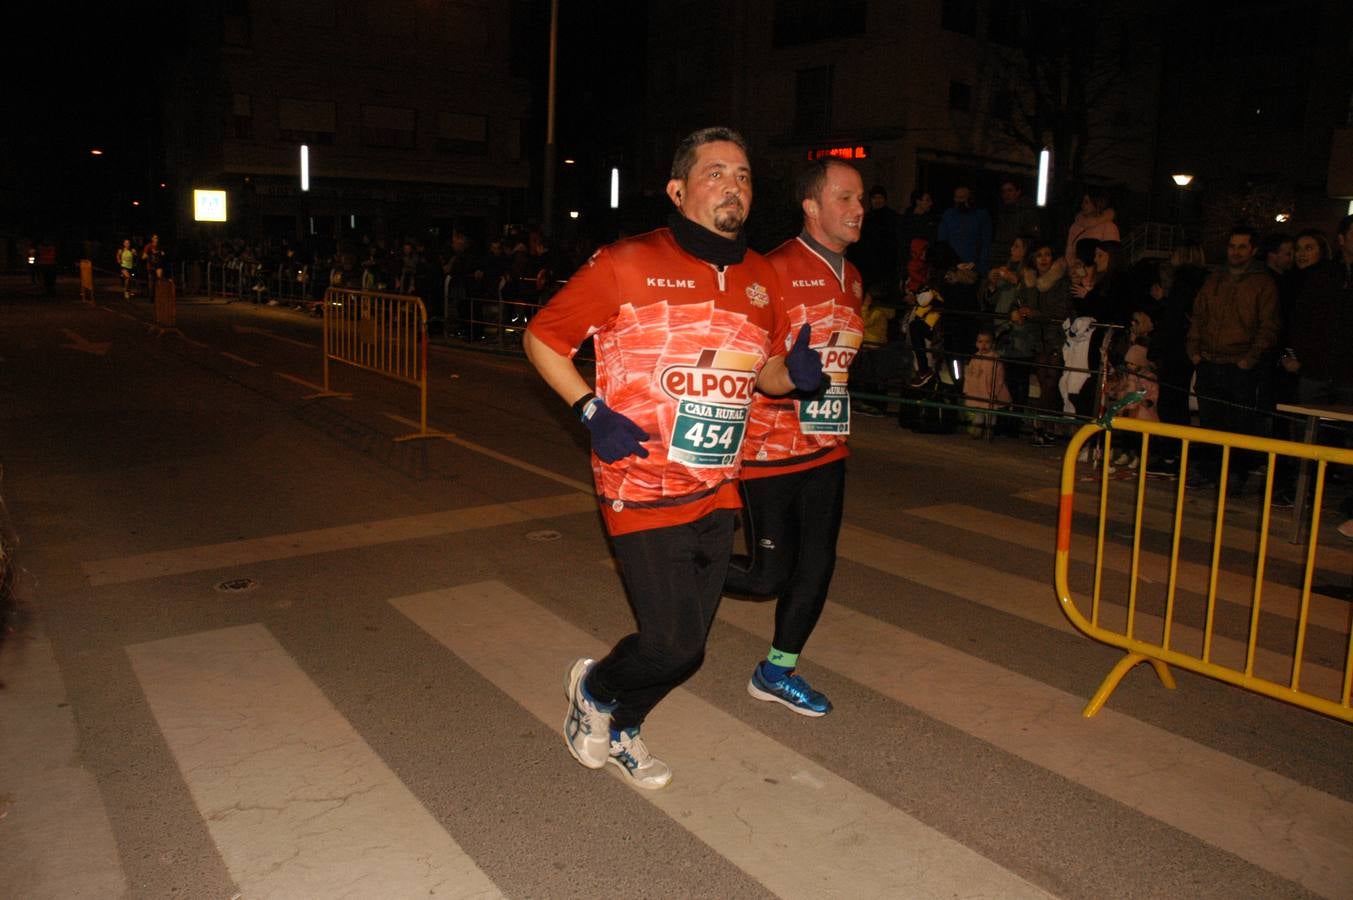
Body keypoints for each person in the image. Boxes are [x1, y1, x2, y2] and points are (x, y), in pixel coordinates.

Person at [523, 127, 823, 791]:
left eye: (742, 175)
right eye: (715, 173)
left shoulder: (760, 278)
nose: (733, 185)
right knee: (672, 644)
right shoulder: (627, 261)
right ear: (679, 190)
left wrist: (791, 375)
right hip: (639, 481)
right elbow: (542, 338)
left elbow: (765, 371)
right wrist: (589, 411)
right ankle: (594, 689)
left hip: (716, 487)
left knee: (688, 647)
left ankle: (624, 723)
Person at [723, 157, 866, 718]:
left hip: (827, 446)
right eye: (846, 198)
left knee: (818, 564)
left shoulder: (852, 276)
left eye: (861, 199)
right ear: (811, 206)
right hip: (768, 449)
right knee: (766, 577)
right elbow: (745, 356)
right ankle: (684, 566)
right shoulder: (771, 268)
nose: (859, 210)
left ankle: (776, 671)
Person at [1185, 226, 1280, 492]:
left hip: (1240, 364)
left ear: (1253, 250)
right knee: (1210, 421)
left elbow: (1268, 325)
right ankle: (1210, 470)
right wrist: (1194, 351)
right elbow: (1198, 316)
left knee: (1240, 423)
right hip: (1210, 361)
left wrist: (1250, 359)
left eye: (1241, 247)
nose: (1236, 252)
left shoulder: (1262, 283)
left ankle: (1237, 473)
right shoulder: (1214, 279)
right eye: (1232, 246)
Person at [847, 185, 900, 299]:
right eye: (874, 198)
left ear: (885, 199)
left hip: (887, 267)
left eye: (880, 197)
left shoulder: (893, 218)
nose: (877, 201)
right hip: (868, 267)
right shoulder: (866, 218)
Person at [962, 329, 1012, 436]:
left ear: (992, 344)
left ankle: (990, 430)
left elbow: (999, 378)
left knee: (991, 411)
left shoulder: (995, 358)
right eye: (980, 342)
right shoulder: (975, 357)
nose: (983, 345)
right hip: (977, 389)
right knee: (979, 409)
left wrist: (995, 391)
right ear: (976, 343)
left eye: (987, 342)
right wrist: (967, 389)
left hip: (990, 389)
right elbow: (969, 374)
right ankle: (977, 429)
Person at [937, 184, 993, 274]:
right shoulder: (948, 215)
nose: (959, 201)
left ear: (970, 199)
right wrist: (952, 263)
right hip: (951, 268)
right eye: (957, 197)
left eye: (962, 197)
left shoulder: (981, 215)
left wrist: (979, 266)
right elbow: (942, 243)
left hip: (973, 267)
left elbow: (986, 243)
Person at [990, 179, 1041, 268]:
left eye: (1010, 190)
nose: (1006, 194)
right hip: (1000, 260)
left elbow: (1030, 239)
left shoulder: (1027, 212)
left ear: (1018, 192)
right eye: (1004, 191)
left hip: (1018, 262)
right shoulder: (1001, 213)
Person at [1063, 188, 1119, 266]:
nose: (1082, 205)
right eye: (1082, 201)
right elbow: (1069, 251)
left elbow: (1111, 254)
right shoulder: (1075, 226)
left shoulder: (1109, 227)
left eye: (1086, 202)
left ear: (1097, 203)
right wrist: (1074, 267)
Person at [142, 233, 164, 300]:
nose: (156, 239)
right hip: (150, 265)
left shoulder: (159, 246)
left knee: (159, 278)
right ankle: (151, 296)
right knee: (151, 281)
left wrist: (161, 253)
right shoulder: (148, 246)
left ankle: (159, 295)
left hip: (158, 265)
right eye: (154, 238)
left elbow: (163, 254)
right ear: (152, 239)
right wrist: (147, 255)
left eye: (157, 238)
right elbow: (143, 256)